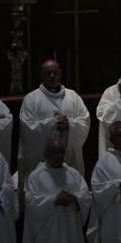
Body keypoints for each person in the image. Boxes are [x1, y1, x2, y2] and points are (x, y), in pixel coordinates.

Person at [21, 138, 92, 243]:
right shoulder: (36, 176)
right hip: (48, 236)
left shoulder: (73, 173)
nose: (59, 156)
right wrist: (54, 200)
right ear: (46, 153)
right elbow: (31, 202)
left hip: (71, 232)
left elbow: (86, 196)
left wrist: (75, 198)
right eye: (54, 152)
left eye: (61, 152)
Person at [18, 59, 90, 197]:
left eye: (55, 73)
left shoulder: (73, 96)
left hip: (68, 157)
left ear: (60, 74)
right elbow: (27, 128)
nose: (52, 76)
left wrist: (70, 124)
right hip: (42, 160)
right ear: (41, 75)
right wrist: (53, 124)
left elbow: (84, 121)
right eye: (48, 73)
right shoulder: (32, 99)